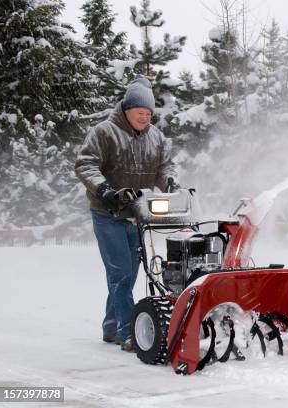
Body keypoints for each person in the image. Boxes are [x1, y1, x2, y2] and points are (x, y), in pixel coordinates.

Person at [75, 75, 178, 352]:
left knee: (129, 273)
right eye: (140, 112)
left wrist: (169, 182)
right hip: (107, 213)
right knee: (120, 272)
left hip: (137, 213)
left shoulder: (155, 137)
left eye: (149, 113)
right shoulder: (104, 132)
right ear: (126, 109)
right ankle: (127, 331)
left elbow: (165, 167)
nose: (145, 118)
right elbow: (85, 164)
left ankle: (110, 326)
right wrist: (106, 190)